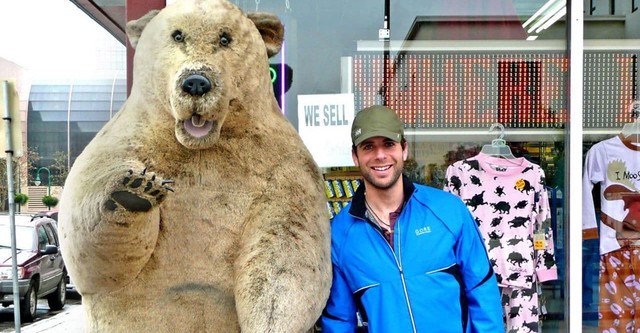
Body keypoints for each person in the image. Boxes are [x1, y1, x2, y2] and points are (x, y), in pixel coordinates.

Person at [321, 105, 505, 333]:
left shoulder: (447, 211)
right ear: (355, 156)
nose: (380, 155)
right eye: (368, 146)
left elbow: (482, 289)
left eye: (388, 144)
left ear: (404, 150)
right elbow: (339, 319)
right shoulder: (340, 234)